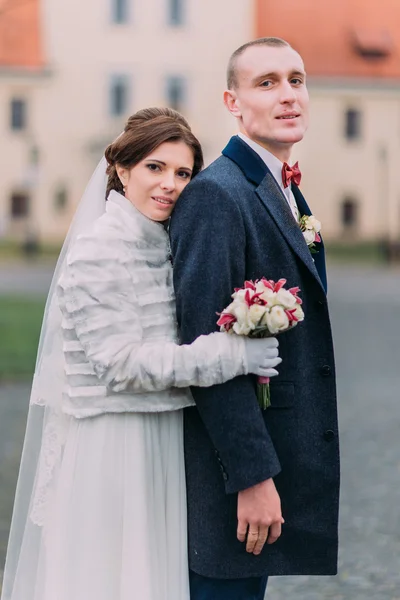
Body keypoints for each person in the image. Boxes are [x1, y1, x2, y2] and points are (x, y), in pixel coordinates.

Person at [1, 107, 282, 600]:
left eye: (182, 173)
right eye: (155, 167)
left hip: (162, 442)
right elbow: (121, 366)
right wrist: (231, 355)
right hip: (113, 447)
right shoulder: (98, 252)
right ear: (123, 170)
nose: (170, 184)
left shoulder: (164, 246)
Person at [170, 38, 340, 600]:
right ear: (232, 102)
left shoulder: (284, 190)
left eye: (297, 79)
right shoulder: (218, 195)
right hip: (233, 481)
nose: (288, 95)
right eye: (266, 83)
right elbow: (204, 350)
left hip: (277, 458)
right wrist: (251, 475)